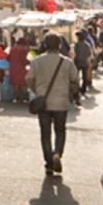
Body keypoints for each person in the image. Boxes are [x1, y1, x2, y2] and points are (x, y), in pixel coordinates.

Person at [27, 32, 78, 177]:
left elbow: (29, 79)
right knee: (60, 131)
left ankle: (49, 164)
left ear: (44, 45)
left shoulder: (37, 61)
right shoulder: (67, 62)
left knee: (45, 134)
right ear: (60, 45)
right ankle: (57, 153)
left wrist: (37, 90)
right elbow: (75, 81)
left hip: (43, 103)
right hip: (61, 102)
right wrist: (70, 91)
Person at [8, 35, 29, 102]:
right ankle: (22, 98)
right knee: (22, 84)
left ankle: (15, 97)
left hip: (13, 68)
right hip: (20, 69)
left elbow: (8, 58)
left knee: (15, 84)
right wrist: (29, 62)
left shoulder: (13, 48)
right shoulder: (23, 50)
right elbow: (23, 61)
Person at [74, 30, 93, 97]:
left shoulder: (76, 45)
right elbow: (89, 54)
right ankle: (83, 90)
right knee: (85, 77)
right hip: (85, 63)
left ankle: (77, 89)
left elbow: (75, 54)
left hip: (77, 62)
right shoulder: (87, 45)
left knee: (76, 77)